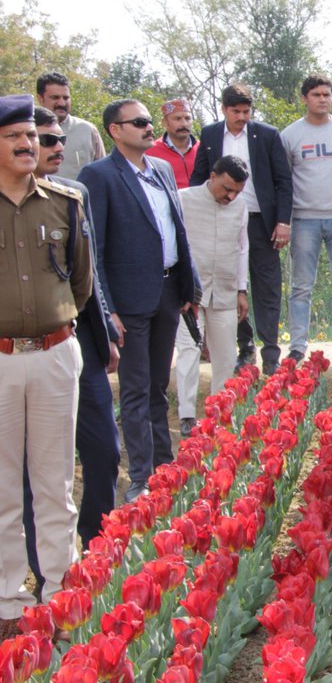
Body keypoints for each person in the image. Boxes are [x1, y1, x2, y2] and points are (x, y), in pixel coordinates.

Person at [0, 95, 92, 638]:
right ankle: (9, 605)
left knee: (55, 483)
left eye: (32, 136)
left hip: (56, 353)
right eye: (14, 136)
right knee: (4, 487)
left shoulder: (65, 202)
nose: (27, 144)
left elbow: (79, 282)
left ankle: (61, 600)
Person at [78, 99, 199, 504]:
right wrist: (106, 307)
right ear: (115, 130)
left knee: (156, 387)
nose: (150, 128)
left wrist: (187, 288)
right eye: (141, 122)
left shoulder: (162, 169)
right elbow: (94, 248)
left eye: (150, 122)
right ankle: (142, 479)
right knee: (133, 389)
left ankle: (166, 469)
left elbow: (177, 232)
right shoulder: (99, 176)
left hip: (167, 294)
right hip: (128, 302)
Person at [27, 107, 120, 556]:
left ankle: (97, 545)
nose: (55, 148)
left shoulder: (73, 194)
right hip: (17, 353)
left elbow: (89, 273)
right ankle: (41, 563)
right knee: (34, 470)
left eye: (57, 139)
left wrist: (103, 330)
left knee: (103, 452)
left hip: (75, 342)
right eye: (45, 139)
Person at [191, 84, 293, 375]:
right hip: (222, 219)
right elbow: (200, 177)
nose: (242, 117)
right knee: (230, 285)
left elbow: (283, 181)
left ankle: (270, 351)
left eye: (246, 111)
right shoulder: (210, 135)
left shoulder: (267, 135)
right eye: (236, 111)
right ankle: (244, 347)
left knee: (267, 286)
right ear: (223, 109)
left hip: (262, 220)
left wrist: (283, 222)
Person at [281, 75, 332, 361]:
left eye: (327, 94)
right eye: (316, 94)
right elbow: (284, 177)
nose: (322, 99)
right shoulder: (291, 135)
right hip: (304, 219)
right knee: (301, 285)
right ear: (305, 98)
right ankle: (297, 346)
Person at [175, 156, 250, 437]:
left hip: (226, 287)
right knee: (189, 351)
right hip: (189, 293)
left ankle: (220, 414)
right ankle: (185, 414)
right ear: (213, 176)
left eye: (237, 192)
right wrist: (179, 287)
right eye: (227, 188)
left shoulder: (240, 206)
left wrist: (242, 289)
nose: (230, 196)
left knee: (226, 355)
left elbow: (242, 248)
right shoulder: (183, 199)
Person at [35, 72, 104, 180]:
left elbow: (102, 172)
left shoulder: (87, 130)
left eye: (66, 98)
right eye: (55, 97)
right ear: (40, 98)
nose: (62, 103)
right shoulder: (28, 131)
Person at [146, 99, 199, 188]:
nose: (184, 124)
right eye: (177, 119)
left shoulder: (202, 148)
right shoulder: (150, 151)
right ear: (165, 123)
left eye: (187, 118)